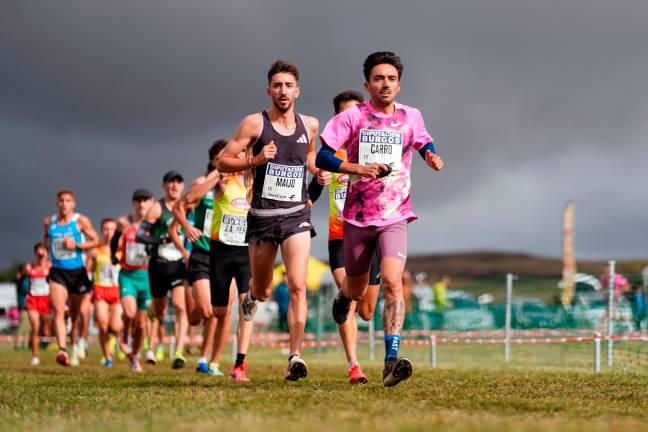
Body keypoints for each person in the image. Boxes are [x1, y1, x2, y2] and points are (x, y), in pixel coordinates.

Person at [317, 51, 444, 387]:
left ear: (399, 85)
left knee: (391, 282)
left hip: (395, 214)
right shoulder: (353, 118)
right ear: (367, 84)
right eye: (378, 78)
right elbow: (323, 155)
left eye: (390, 78)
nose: (384, 84)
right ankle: (344, 295)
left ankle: (391, 359)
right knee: (357, 291)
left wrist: (429, 153)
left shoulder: (410, 116)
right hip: (358, 218)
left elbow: (422, 139)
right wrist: (356, 168)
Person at [216, 60, 329, 381]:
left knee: (297, 285)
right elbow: (224, 159)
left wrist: (315, 170)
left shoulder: (310, 124)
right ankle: (252, 296)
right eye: (277, 85)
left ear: (298, 90)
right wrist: (254, 159)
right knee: (263, 289)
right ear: (269, 90)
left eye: (288, 85)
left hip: (296, 216)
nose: (283, 91)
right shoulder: (254, 124)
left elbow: (307, 155)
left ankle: (295, 356)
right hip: (263, 219)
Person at [308, 90, 381, 384]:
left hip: (371, 235)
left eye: (355, 111)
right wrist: (317, 180)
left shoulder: (374, 150)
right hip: (340, 238)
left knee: (366, 310)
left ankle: (343, 296)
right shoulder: (330, 155)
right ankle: (354, 365)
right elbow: (310, 198)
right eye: (344, 114)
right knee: (352, 301)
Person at [183, 139, 255, 381]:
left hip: (245, 252)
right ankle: (195, 327)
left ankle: (239, 364)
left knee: (247, 308)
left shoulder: (253, 179)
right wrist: (217, 176)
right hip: (219, 252)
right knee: (218, 311)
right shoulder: (221, 180)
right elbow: (190, 199)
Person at [170, 145, 220, 375]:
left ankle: (203, 360)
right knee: (196, 316)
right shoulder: (201, 184)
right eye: (220, 157)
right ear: (212, 160)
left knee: (213, 313)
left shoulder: (236, 184)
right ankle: (196, 304)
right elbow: (177, 212)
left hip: (222, 254)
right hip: (199, 253)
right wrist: (188, 228)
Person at [137, 172, 189, 369]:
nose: (174, 186)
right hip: (158, 264)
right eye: (170, 182)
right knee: (158, 312)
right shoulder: (156, 209)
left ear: (182, 185)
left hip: (178, 265)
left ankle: (179, 352)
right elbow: (140, 236)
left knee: (180, 305)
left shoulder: (186, 206)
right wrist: (160, 240)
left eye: (178, 182)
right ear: (163, 186)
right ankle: (150, 340)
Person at [43, 190, 99, 366]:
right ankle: (62, 350)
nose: (64, 204)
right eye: (61, 201)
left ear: (73, 204)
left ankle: (75, 341)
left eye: (68, 201)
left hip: (77, 272)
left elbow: (95, 240)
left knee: (75, 316)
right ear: (56, 203)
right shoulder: (49, 222)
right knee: (58, 311)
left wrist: (77, 245)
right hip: (57, 272)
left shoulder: (80, 221)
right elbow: (46, 240)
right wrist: (46, 254)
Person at [112, 189, 155, 372]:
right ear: (133, 203)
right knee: (129, 314)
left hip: (146, 276)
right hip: (128, 275)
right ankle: (124, 333)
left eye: (145, 200)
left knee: (142, 325)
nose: (142, 204)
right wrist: (113, 254)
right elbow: (114, 241)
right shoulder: (124, 222)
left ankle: (134, 357)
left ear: (151, 202)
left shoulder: (154, 224)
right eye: (138, 200)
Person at [87, 218, 123, 368]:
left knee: (115, 327)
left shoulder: (122, 249)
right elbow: (88, 269)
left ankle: (115, 340)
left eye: (112, 229)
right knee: (102, 324)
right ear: (102, 230)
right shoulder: (96, 250)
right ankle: (107, 356)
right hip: (100, 288)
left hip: (117, 290)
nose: (109, 233)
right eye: (106, 229)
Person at [24, 244, 52, 365]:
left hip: (46, 301)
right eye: (38, 254)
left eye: (43, 254)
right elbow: (26, 270)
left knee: (45, 331)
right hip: (33, 301)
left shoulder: (51, 267)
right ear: (35, 255)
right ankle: (35, 356)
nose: (41, 256)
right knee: (35, 327)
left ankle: (47, 340)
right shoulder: (30, 267)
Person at [13, 264, 30, 351]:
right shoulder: (21, 279)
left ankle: (25, 345)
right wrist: (19, 275)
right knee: (22, 326)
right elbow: (16, 281)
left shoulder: (28, 278)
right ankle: (18, 345)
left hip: (30, 306)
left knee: (28, 327)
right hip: (23, 306)